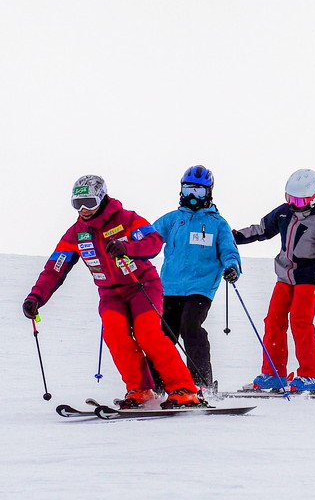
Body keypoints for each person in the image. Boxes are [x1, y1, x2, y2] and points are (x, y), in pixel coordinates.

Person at [22, 175, 202, 408]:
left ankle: (184, 388)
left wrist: (127, 247)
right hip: (110, 294)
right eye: (77, 204)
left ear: (101, 198)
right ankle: (140, 389)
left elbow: (154, 241)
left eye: (89, 202)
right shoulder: (76, 234)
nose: (84, 209)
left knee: (148, 334)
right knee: (115, 335)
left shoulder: (127, 219)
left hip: (142, 286)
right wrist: (35, 297)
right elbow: (55, 268)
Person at [233, 168, 315, 392]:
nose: (295, 203)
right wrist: (235, 237)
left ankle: (311, 375)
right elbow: (262, 230)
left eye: (300, 199)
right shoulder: (284, 213)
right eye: (290, 198)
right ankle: (273, 373)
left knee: (300, 321)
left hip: (309, 277)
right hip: (284, 276)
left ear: (314, 196)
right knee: (273, 320)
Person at [151, 165, 242, 392]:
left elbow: (230, 251)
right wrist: (129, 250)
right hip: (170, 288)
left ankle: (202, 383)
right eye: (189, 189)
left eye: (199, 191)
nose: (193, 196)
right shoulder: (172, 220)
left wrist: (232, 268)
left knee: (190, 326)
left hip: (201, 287)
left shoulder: (217, 224)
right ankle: (156, 383)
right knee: (163, 334)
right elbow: (148, 241)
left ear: (209, 192)